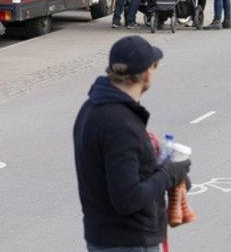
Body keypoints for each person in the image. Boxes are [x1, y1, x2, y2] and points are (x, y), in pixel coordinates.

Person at [72, 36, 191, 252]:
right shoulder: (121, 125)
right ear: (147, 73)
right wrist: (169, 174)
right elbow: (128, 198)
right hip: (128, 242)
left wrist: (163, 168)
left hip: (103, 237)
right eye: (155, 66)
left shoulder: (92, 108)